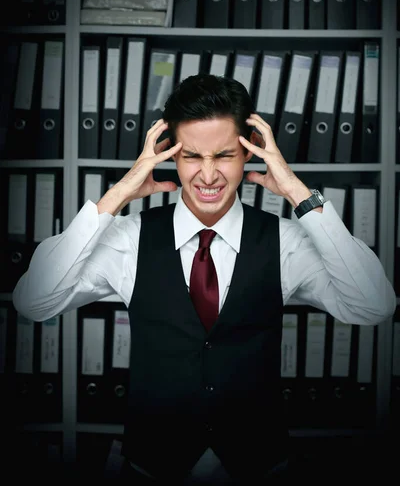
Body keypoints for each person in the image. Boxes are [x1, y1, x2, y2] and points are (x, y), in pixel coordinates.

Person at [13, 74, 396, 485]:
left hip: (261, 467)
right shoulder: (130, 238)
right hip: (152, 469)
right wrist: (117, 195)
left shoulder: (285, 240)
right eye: (192, 156)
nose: (208, 175)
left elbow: (374, 305)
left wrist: (298, 193)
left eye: (225, 155)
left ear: (249, 152)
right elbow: (34, 301)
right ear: (169, 156)